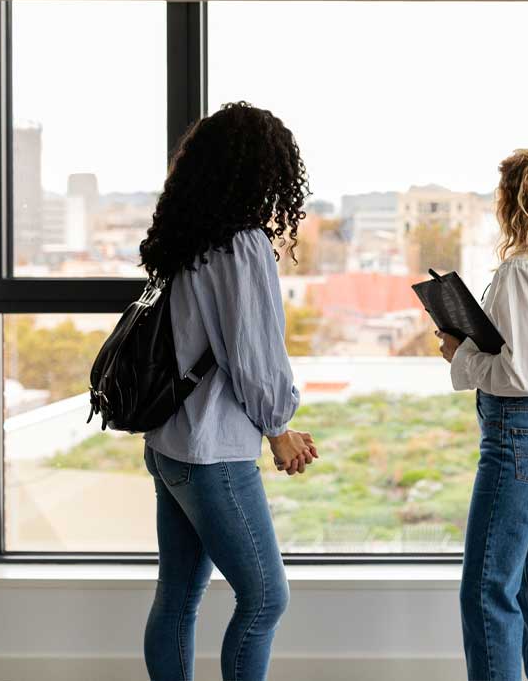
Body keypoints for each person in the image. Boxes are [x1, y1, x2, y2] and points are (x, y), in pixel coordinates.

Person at [138, 101, 318, 681]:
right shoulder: (241, 245)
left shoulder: (184, 239)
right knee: (266, 598)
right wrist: (280, 428)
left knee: (178, 599)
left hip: (170, 443)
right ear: (263, 172)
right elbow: (255, 356)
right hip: (213, 452)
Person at [438, 143, 528, 681]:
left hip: (518, 439)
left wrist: (462, 355)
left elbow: (520, 374)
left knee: (485, 590)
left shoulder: (521, 271)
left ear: (515, 202)